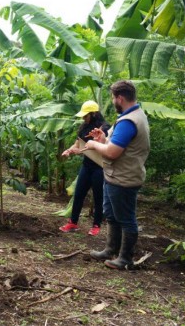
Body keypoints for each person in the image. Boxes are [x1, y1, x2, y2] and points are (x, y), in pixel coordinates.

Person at [83, 80, 150, 270]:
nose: (113, 101)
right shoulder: (134, 116)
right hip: (116, 176)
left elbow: (112, 152)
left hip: (123, 179)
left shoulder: (129, 121)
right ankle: (110, 249)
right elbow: (117, 145)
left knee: (126, 219)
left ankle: (125, 258)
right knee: (112, 215)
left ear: (120, 98)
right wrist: (103, 139)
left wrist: (94, 145)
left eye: (113, 97)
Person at [59, 100, 110, 236]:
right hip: (86, 166)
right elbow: (78, 144)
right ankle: (73, 222)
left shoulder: (103, 128)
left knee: (98, 196)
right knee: (79, 193)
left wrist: (79, 151)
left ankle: (96, 225)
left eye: (86, 115)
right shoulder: (83, 128)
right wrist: (69, 151)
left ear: (93, 114)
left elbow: (94, 147)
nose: (83, 118)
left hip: (99, 167)